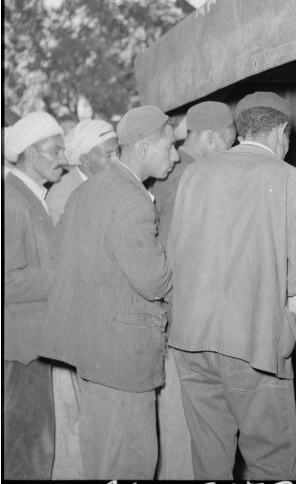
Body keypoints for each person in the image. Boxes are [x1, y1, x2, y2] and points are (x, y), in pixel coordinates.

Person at [167, 91, 296, 480]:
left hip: (190, 341)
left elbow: (176, 255)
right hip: (251, 345)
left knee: (210, 459)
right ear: (283, 131)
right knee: (272, 460)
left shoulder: (195, 173)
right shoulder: (287, 177)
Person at [40, 105, 178, 480]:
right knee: (133, 459)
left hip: (93, 350)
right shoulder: (133, 200)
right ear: (145, 147)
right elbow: (155, 282)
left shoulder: (88, 190)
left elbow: (60, 255)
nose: (176, 155)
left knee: (102, 457)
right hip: (123, 357)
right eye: (169, 147)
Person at [150, 100, 236, 480]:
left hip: (175, 311)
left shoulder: (172, 171)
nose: (232, 153)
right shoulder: (190, 174)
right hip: (186, 313)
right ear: (214, 136)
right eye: (231, 143)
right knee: (192, 421)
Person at [44, 118, 119, 479]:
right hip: (74, 322)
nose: (117, 161)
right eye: (110, 154)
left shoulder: (97, 185)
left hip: (92, 319)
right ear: (84, 158)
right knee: (73, 417)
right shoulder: (66, 193)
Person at [3, 112, 67, 479]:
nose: (64, 157)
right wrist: (63, 274)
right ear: (29, 152)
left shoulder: (31, 195)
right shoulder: (12, 202)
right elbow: (7, 281)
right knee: (29, 449)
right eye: (56, 150)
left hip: (33, 343)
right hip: (20, 351)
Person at [151, 100, 236, 245]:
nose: (229, 152)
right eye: (229, 144)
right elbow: (172, 238)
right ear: (212, 137)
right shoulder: (194, 175)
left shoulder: (167, 166)